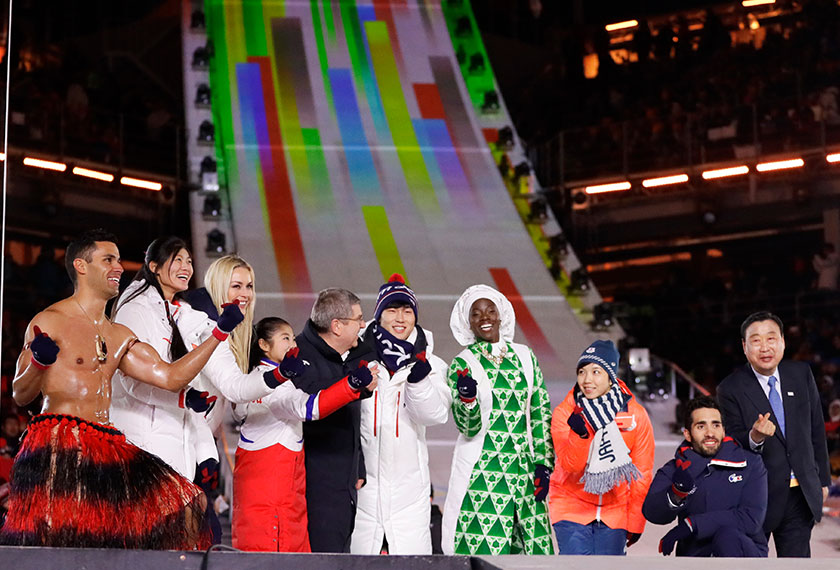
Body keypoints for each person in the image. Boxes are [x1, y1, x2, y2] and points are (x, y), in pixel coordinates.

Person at [0, 229, 244, 548]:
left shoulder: (119, 335)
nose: (118, 267)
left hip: (106, 442)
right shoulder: (50, 320)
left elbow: (170, 377)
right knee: (63, 537)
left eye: (118, 259)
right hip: (59, 441)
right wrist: (37, 363)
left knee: (186, 503)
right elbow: (21, 394)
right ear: (81, 266)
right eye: (108, 259)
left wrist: (219, 332)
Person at [232, 317, 376, 552]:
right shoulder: (273, 386)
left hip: (275, 499)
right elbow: (309, 408)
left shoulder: (253, 381)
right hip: (275, 504)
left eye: (293, 338)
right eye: (285, 338)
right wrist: (350, 385)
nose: (293, 344)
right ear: (264, 345)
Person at [442, 284, 554, 555]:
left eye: (490, 310)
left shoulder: (525, 356)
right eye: (476, 313)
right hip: (483, 475)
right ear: (467, 322)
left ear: (501, 314)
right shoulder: (463, 363)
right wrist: (467, 400)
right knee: (486, 553)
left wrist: (543, 463)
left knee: (535, 554)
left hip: (525, 471)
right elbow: (468, 428)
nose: (485, 318)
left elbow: (540, 411)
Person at [717, 311, 831, 557]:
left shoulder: (801, 374)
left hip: (800, 494)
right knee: (751, 562)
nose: (765, 347)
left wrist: (823, 480)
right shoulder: (730, 388)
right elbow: (731, 441)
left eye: (771, 338)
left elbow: (815, 429)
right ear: (745, 347)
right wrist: (755, 437)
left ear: (782, 342)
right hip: (755, 497)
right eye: (756, 340)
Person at [351, 274, 450, 555]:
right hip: (362, 490)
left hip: (409, 495)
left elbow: (436, 414)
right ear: (379, 315)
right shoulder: (355, 357)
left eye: (407, 311)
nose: (400, 318)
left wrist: (419, 383)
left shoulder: (431, 363)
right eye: (392, 310)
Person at [109, 237, 218, 480]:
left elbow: (188, 388)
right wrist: (183, 398)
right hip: (140, 444)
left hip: (175, 448)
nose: (186, 267)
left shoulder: (184, 316)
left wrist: (205, 451)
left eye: (189, 261)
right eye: (177, 260)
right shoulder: (135, 309)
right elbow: (132, 379)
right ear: (154, 266)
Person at [548, 340, 654, 555]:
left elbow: (641, 474)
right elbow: (570, 466)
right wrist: (580, 435)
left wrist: (636, 521)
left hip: (615, 510)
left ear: (611, 376)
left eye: (596, 372)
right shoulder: (565, 412)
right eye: (582, 372)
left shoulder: (635, 414)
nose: (587, 380)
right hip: (571, 506)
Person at [293, 288, 377, 553]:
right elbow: (315, 404)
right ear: (337, 326)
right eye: (358, 319)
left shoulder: (347, 355)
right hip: (315, 489)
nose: (363, 325)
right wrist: (354, 386)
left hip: (343, 481)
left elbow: (349, 417)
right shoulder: (298, 357)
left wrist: (357, 464)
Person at [643, 396, 768, 557]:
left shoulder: (750, 463)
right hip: (695, 554)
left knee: (727, 537)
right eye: (701, 426)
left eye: (716, 425)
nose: (710, 433)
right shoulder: (676, 469)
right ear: (688, 434)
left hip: (742, 554)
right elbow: (652, 513)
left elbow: (751, 519)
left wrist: (692, 524)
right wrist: (676, 495)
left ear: (723, 430)